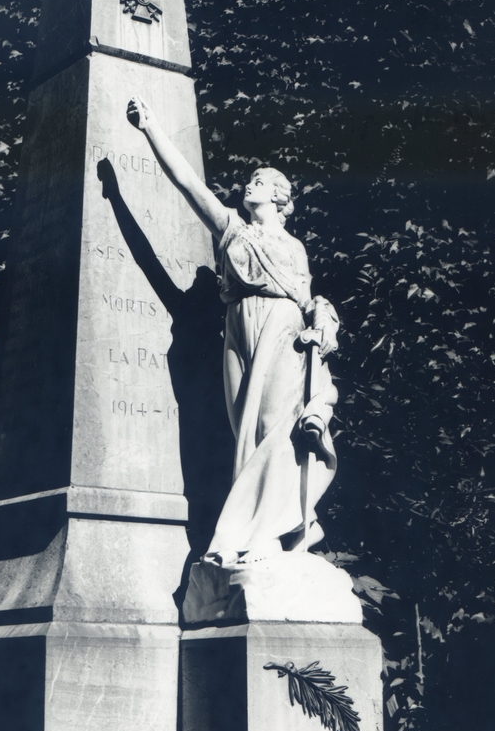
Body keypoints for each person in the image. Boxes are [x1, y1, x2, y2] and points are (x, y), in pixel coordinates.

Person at [127, 95, 339, 566]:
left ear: (280, 199)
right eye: (251, 181)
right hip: (237, 331)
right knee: (242, 435)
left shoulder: (294, 248)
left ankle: (263, 533)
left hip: (281, 332)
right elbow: (189, 185)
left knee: (272, 431)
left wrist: (320, 325)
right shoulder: (233, 232)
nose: (249, 185)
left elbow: (305, 301)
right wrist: (151, 128)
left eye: (259, 182)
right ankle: (259, 532)